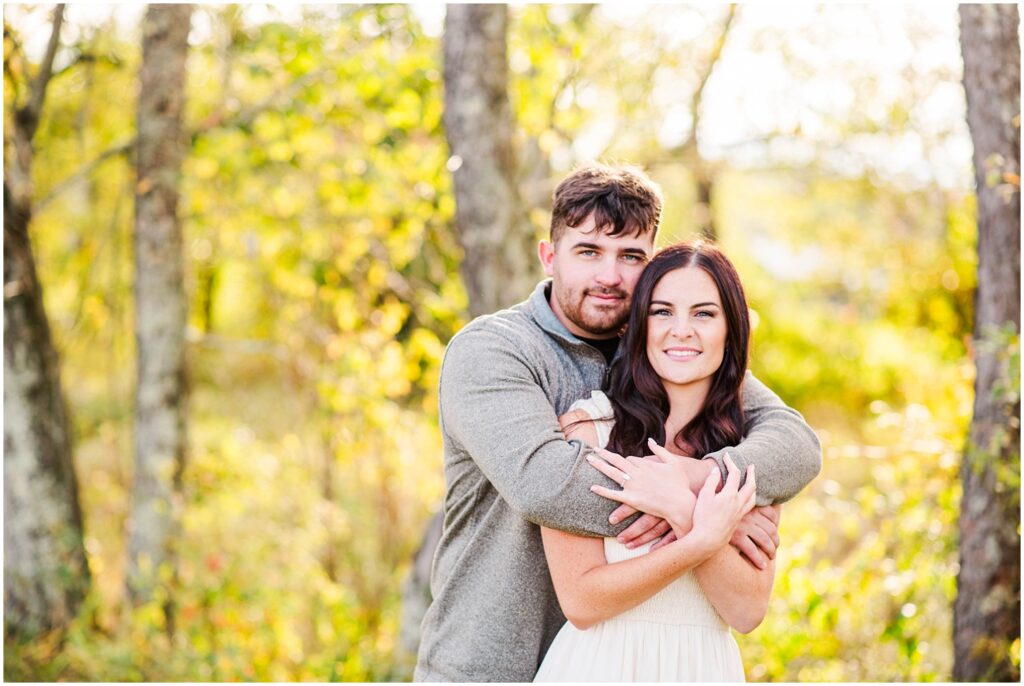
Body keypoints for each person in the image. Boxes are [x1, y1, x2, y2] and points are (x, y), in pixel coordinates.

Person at [414, 164, 820, 682]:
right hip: (491, 666)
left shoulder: (664, 346)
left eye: (630, 256)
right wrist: (714, 515)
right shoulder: (494, 351)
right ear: (549, 256)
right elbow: (547, 486)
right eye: (588, 252)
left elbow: (795, 444)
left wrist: (694, 483)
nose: (609, 276)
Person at [535, 241, 772, 682]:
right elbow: (582, 603)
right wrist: (700, 542)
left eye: (704, 313)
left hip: (702, 668)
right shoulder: (590, 432)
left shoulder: (748, 451)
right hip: (600, 666)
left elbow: (746, 610)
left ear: (731, 329)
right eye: (662, 312)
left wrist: (682, 510)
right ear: (640, 326)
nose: (681, 330)